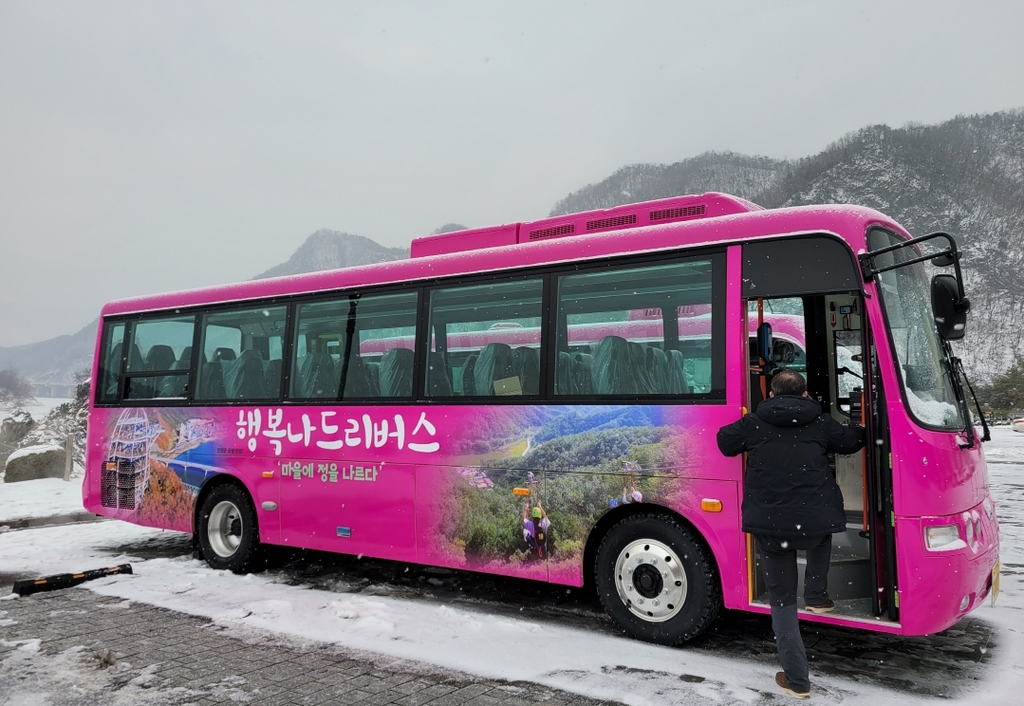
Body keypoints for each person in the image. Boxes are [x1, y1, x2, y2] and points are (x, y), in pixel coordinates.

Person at [716, 370, 865, 699]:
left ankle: (797, 679)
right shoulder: (821, 421)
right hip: (814, 520)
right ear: (805, 394)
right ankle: (816, 596)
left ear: (771, 393)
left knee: (782, 603)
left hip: (771, 525)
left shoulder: (755, 422)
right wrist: (862, 428)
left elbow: (724, 442)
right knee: (821, 538)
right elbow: (850, 442)